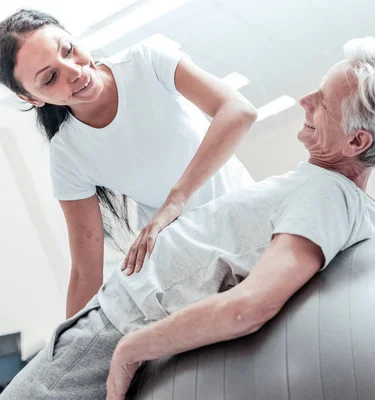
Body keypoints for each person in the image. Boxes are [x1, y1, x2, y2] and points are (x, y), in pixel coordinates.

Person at [0, 37, 375, 400]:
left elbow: (250, 307)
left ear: (357, 140)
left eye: (320, 102)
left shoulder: (327, 198)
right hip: (111, 316)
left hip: (120, 325)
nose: (304, 99)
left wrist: (131, 349)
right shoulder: (323, 188)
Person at [0, 9, 258, 318]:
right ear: (33, 99)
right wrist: (65, 347)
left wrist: (175, 200)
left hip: (246, 220)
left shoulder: (147, 60)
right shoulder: (68, 154)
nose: (74, 71)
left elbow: (238, 111)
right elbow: (85, 271)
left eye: (68, 50)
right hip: (182, 258)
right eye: (50, 77)